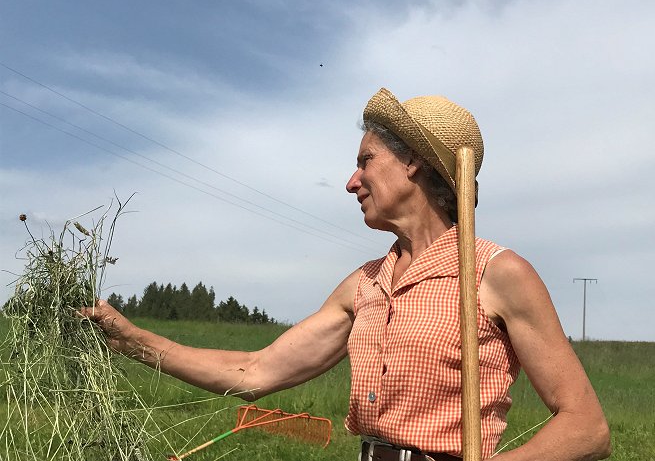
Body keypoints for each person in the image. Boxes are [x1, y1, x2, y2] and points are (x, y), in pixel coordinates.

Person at [82, 88, 611, 461]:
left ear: (413, 164)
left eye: (365, 161)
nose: (351, 181)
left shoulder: (496, 274)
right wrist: (128, 338)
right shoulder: (365, 283)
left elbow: (586, 427)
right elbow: (253, 371)